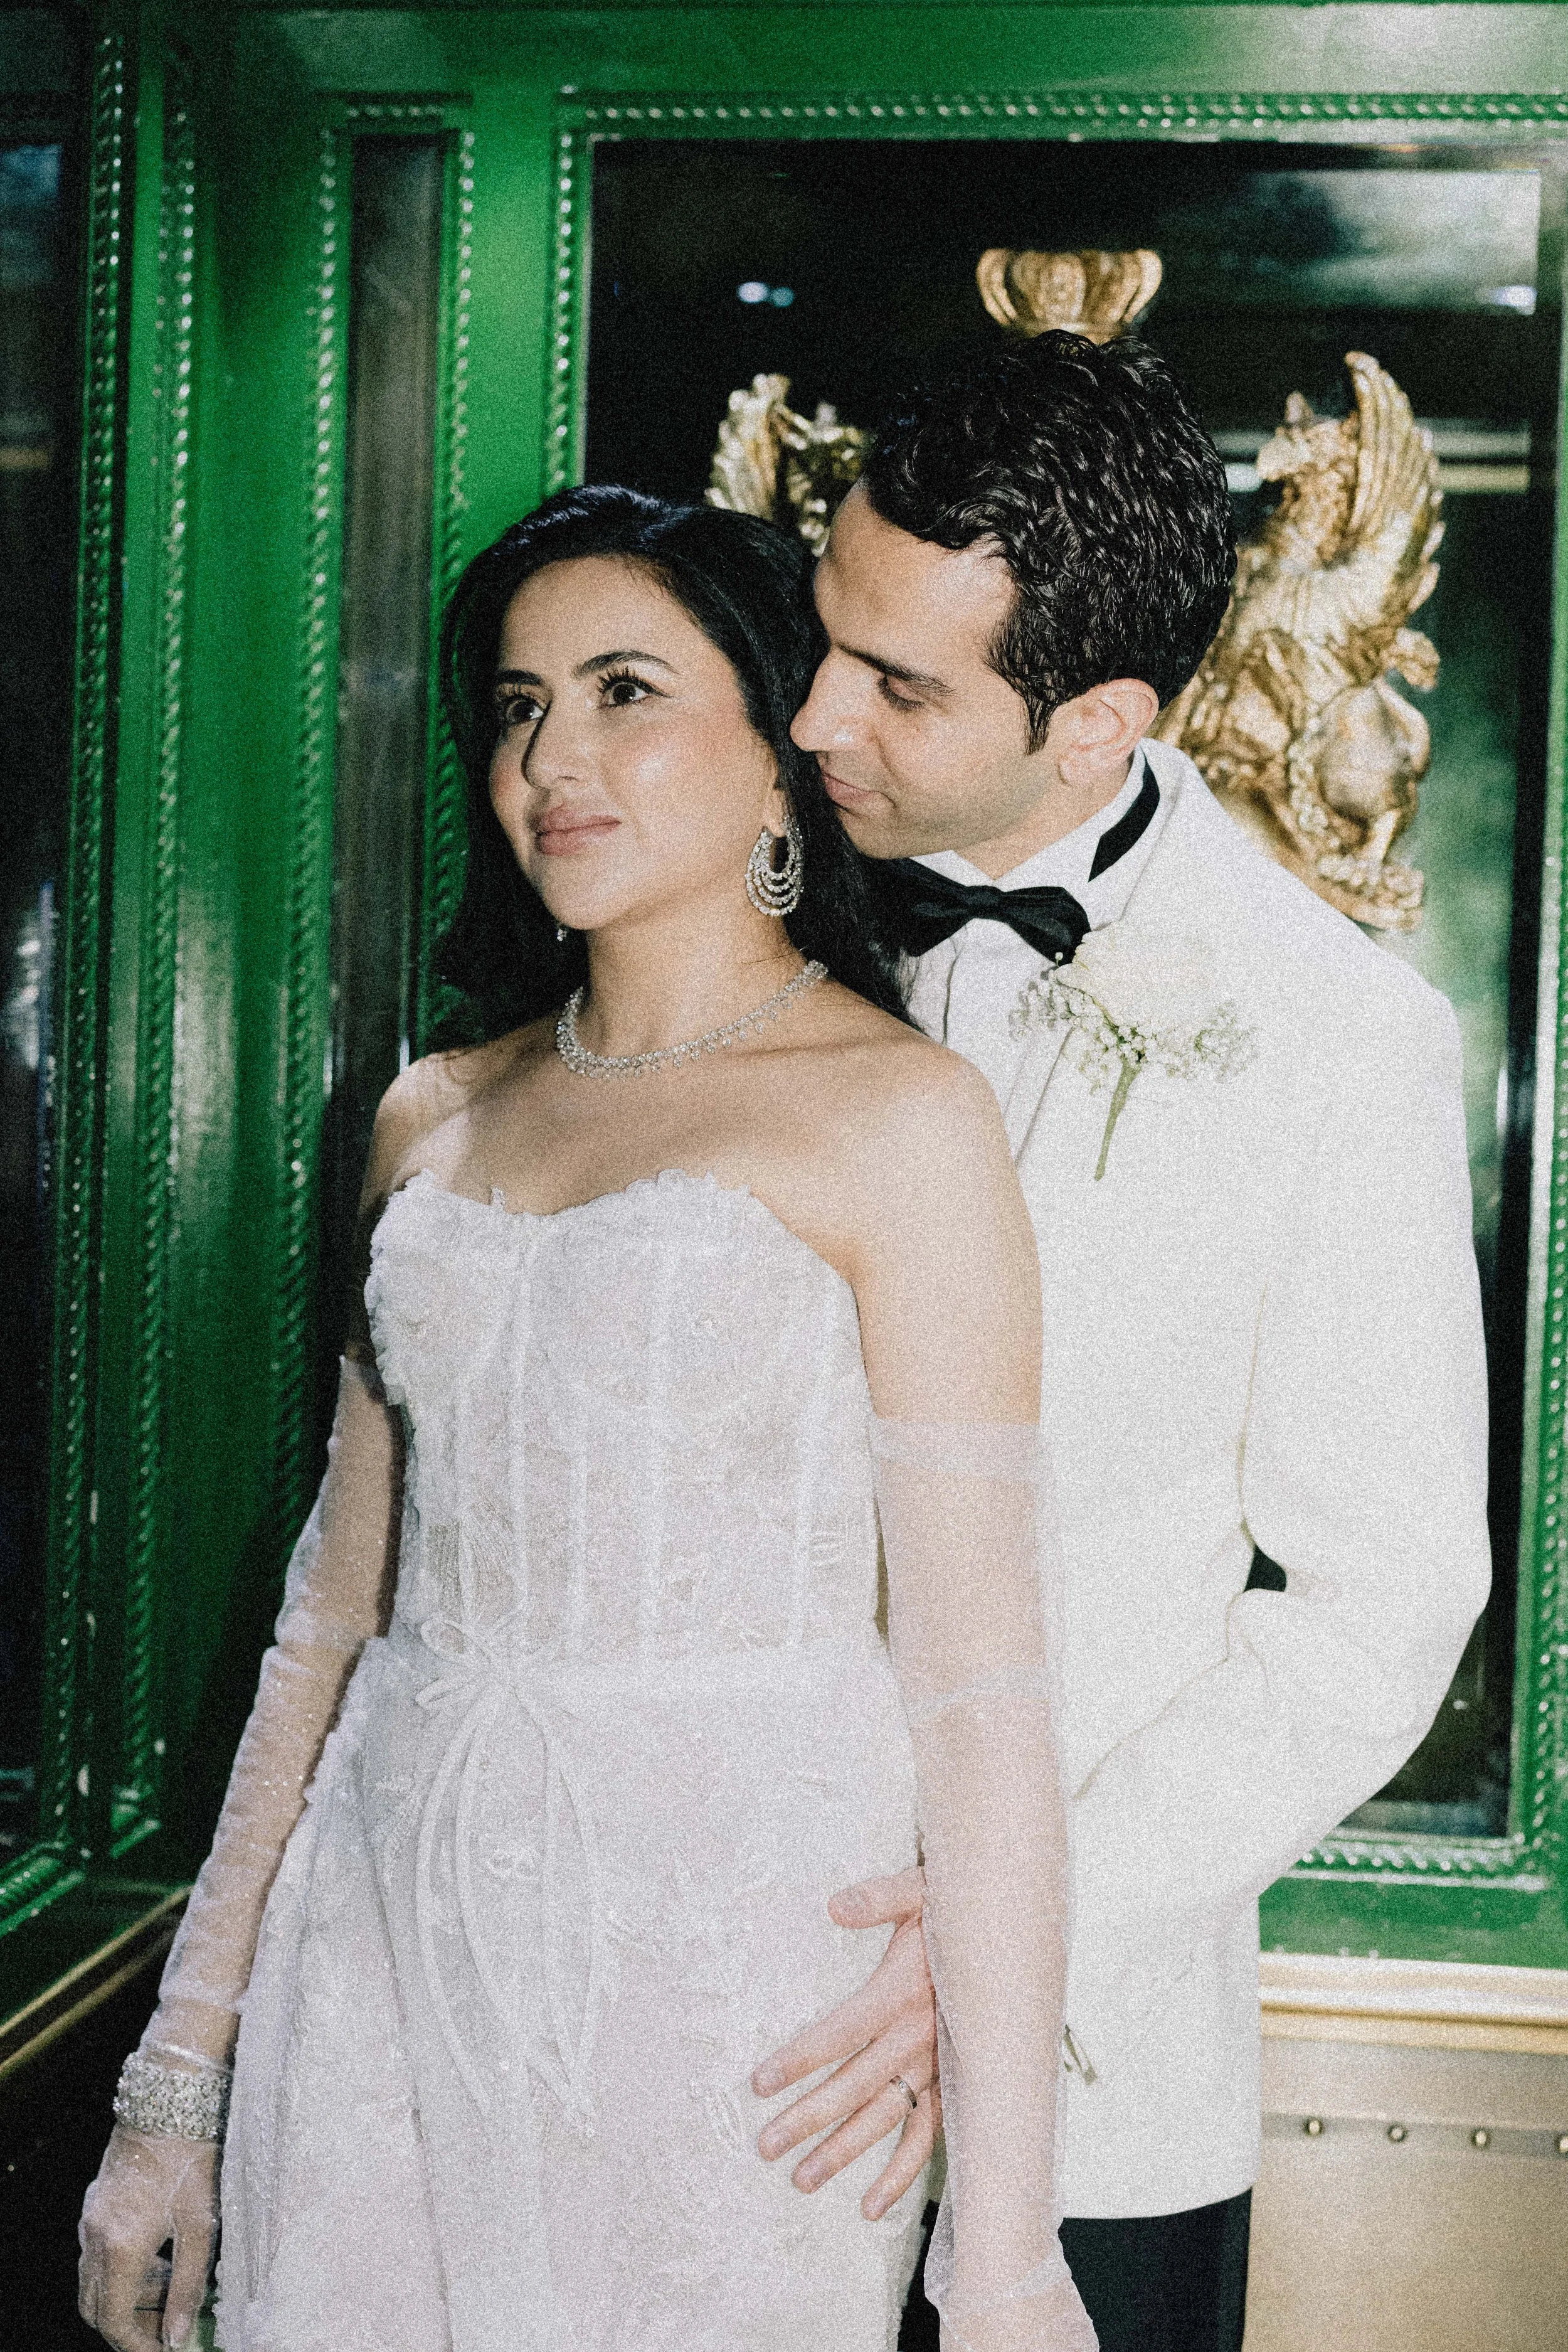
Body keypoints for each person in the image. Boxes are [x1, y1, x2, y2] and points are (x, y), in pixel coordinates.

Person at [77, 486, 1096, 2352]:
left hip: (732, 2007)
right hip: (378, 1954)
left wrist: (1006, 2255)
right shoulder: (433, 1115)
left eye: (626, 689)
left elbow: (981, 1693)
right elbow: (332, 1620)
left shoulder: (901, 1121)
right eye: (520, 703)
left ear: (780, 751)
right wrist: (177, 2076)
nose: (554, 755)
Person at [752, 332, 1491, 2352]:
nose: (811, 712)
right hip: (697, 2027)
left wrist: (1011, 1934)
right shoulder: (726, 902)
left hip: (1086, 2098)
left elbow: (1383, 1596)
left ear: (1094, 724)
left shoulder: (1337, 1039)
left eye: (896, 685)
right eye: (826, 637)